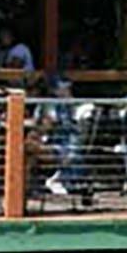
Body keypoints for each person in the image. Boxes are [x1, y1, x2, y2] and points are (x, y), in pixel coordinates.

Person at [36, 73, 92, 202]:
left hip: (70, 140)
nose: (67, 90)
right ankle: (62, 180)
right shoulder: (49, 104)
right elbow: (46, 125)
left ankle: (63, 179)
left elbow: (78, 122)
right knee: (72, 153)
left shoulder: (73, 104)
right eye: (63, 88)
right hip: (53, 140)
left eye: (68, 88)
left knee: (75, 152)